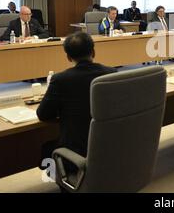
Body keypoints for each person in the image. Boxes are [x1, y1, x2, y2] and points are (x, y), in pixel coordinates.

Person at [37, 32, 117, 162]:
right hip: (109, 144)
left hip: (77, 152)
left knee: (46, 149)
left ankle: (64, 178)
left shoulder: (60, 80)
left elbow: (43, 114)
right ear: (93, 52)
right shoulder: (112, 74)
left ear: (68, 57)